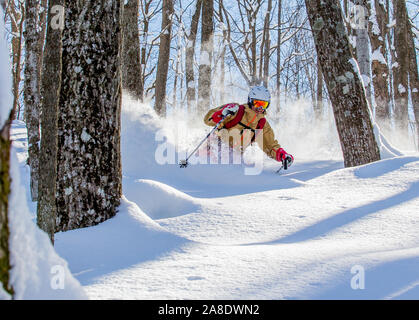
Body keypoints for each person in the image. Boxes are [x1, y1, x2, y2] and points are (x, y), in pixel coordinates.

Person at [203, 85, 294, 167]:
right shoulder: (236, 110)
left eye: (264, 104)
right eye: (257, 103)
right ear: (250, 101)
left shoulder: (262, 124)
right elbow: (208, 119)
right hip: (213, 150)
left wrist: (281, 155)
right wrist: (220, 114)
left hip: (234, 159)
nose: (260, 108)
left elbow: (270, 145)